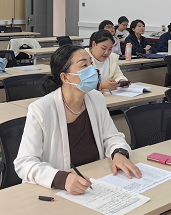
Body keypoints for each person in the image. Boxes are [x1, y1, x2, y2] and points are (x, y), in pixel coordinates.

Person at [14, 45, 142, 194]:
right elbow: (24, 163)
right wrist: (61, 178)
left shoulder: (96, 98)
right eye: (84, 65)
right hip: (58, 190)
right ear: (65, 77)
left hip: (95, 181)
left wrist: (118, 153)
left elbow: (112, 136)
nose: (92, 70)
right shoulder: (41, 109)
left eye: (91, 64)